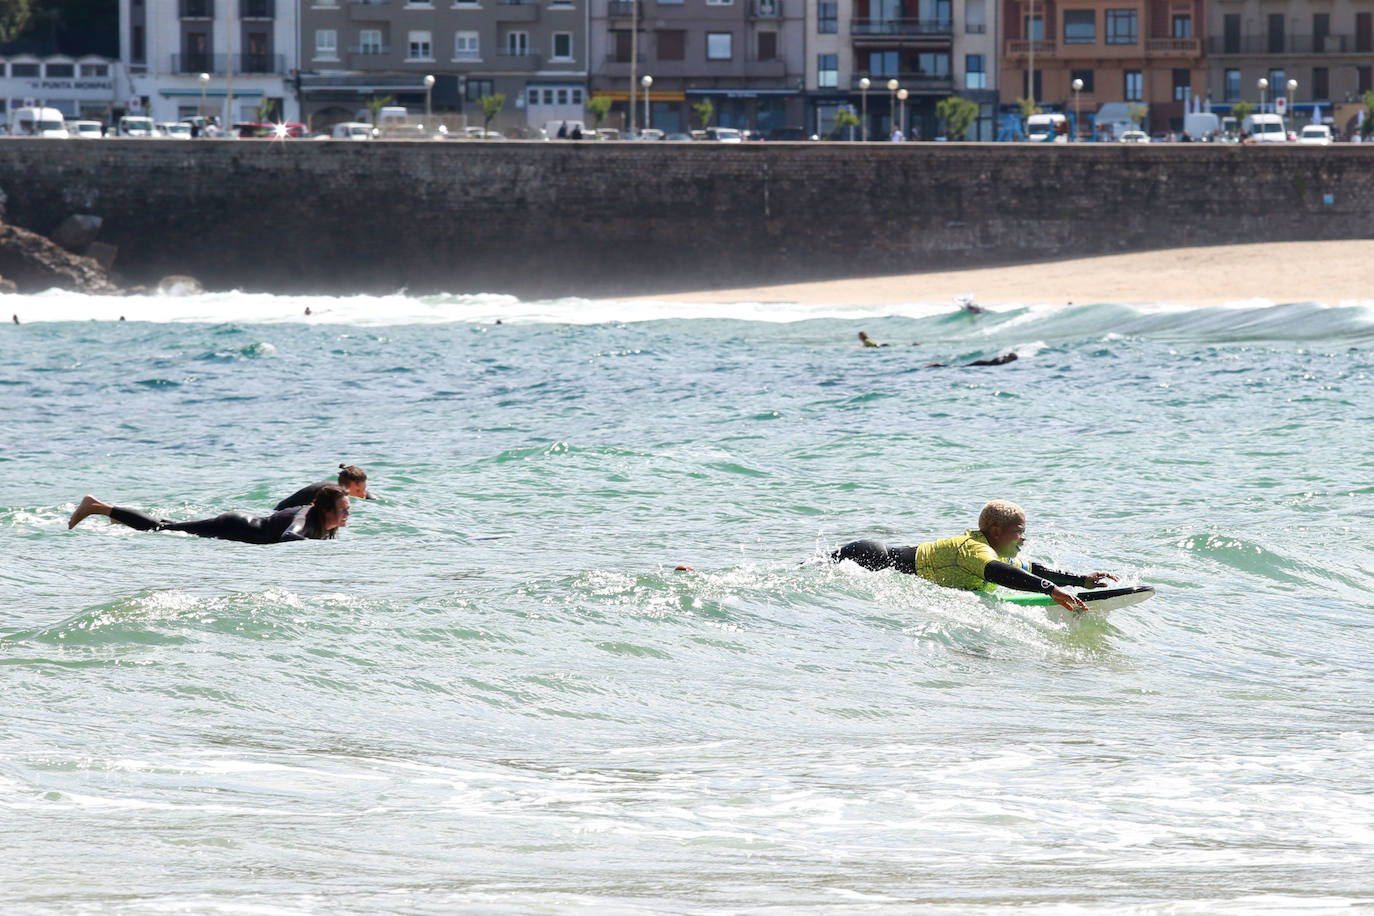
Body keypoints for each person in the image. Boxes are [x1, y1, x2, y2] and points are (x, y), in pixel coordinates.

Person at [830, 500, 1118, 612]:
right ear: (995, 530)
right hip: (870, 559)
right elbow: (997, 573)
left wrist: (1081, 580)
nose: (1023, 538)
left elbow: (1031, 568)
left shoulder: (994, 549)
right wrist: (1051, 591)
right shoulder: (976, 550)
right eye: (1018, 531)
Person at [67, 485, 350, 544]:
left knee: (169, 526)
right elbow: (292, 532)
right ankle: (97, 506)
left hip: (240, 524)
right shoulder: (306, 519)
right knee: (160, 530)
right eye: (342, 510)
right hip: (234, 526)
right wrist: (303, 544)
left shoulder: (316, 517)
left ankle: (120, 517)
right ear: (325, 509)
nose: (347, 516)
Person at [275, 464, 372, 511]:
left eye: (364, 489)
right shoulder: (330, 492)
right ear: (344, 487)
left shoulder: (350, 489)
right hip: (283, 510)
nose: (363, 494)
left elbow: (372, 498)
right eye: (358, 490)